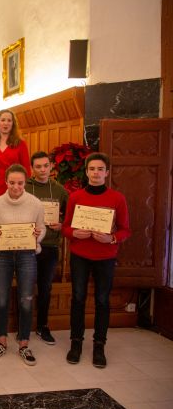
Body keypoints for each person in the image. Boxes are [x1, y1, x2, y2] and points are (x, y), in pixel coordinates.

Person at [63, 152, 130, 368]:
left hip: (105, 256)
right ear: (87, 171)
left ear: (107, 173)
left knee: (102, 301)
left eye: (100, 169)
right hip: (80, 255)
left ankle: (99, 345)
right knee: (78, 298)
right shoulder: (76, 197)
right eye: (92, 169)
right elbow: (66, 227)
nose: (96, 173)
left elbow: (125, 230)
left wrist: (111, 238)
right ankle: (76, 343)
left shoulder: (117, 198)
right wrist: (75, 233)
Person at [0, 164, 45, 366]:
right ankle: (1, 341)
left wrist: (39, 234)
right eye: (12, 182)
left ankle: (24, 343)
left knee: (26, 299)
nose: (16, 187)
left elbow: (41, 228)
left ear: (25, 182)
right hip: (2, 255)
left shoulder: (36, 204)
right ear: (6, 182)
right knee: (2, 300)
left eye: (20, 183)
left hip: (27, 255)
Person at [25, 151, 69, 345]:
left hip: (50, 245)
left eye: (45, 166)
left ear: (51, 166)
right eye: (38, 166)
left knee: (45, 288)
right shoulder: (24, 187)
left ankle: (43, 326)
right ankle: (23, 326)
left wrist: (61, 225)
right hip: (27, 245)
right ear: (32, 169)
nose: (42, 170)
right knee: (25, 288)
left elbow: (69, 218)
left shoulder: (60, 190)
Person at [0, 109, 31, 198]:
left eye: (9, 120)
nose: (6, 123)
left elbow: (26, 169)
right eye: (3, 120)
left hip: (15, 187)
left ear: (13, 124)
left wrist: (21, 186)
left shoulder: (21, 144)